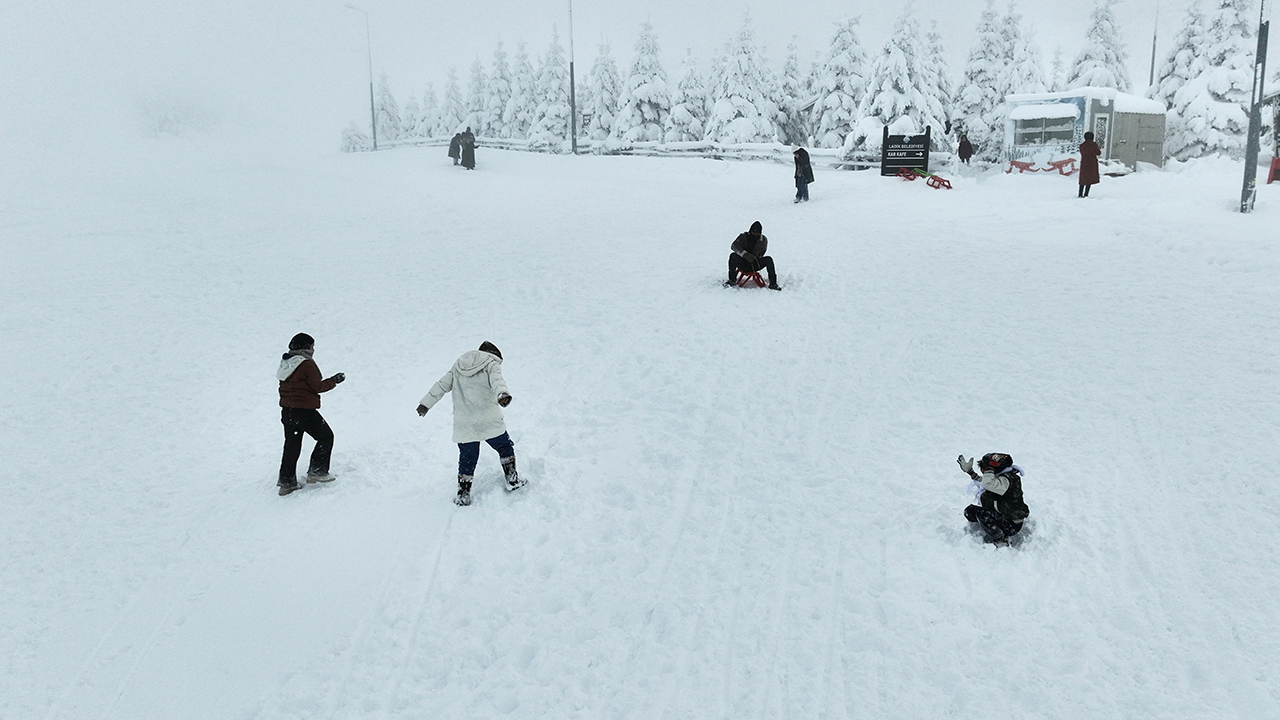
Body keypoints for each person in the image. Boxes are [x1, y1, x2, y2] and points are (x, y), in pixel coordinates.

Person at [417, 341, 524, 506]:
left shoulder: (459, 365)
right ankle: (512, 480)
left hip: (465, 423)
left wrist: (425, 404)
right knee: (504, 447)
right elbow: (497, 380)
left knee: (467, 458)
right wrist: (502, 394)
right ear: (494, 354)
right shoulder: (491, 362)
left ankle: (463, 495)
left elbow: (441, 385)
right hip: (488, 419)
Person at [277, 333, 345, 496]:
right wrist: (334, 380)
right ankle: (318, 472)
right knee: (326, 436)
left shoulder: (286, 362)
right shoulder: (306, 364)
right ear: (306, 347)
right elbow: (318, 387)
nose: (313, 349)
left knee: (291, 446)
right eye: (312, 346)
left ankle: (286, 483)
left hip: (288, 411)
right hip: (304, 411)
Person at [956, 453, 1030, 544]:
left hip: (1011, 525)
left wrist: (989, 470)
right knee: (970, 511)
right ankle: (987, 527)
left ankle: (1001, 539)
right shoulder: (1002, 478)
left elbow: (988, 484)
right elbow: (984, 483)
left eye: (984, 470)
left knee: (982, 514)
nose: (983, 472)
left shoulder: (1007, 481)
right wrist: (970, 472)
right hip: (1003, 516)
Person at [724, 221, 781, 290]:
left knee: (769, 259)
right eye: (753, 232)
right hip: (742, 262)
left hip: (754, 264)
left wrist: (755, 257)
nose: (755, 234)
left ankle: (773, 283)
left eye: (757, 233)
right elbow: (734, 246)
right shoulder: (743, 237)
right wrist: (745, 255)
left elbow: (762, 252)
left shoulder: (763, 240)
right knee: (733, 256)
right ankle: (732, 280)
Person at [1078, 131, 1102, 198]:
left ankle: (1080, 194)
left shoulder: (1082, 145)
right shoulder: (1094, 145)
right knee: (1089, 179)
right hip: (1092, 163)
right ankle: (1086, 194)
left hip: (1084, 163)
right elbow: (1098, 153)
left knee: (1083, 179)